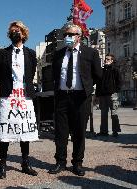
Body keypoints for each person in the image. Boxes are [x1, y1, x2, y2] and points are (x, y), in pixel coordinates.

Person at [49, 24, 102, 176]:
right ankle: (60, 161)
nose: (68, 37)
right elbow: (54, 74)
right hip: (62, 97)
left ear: (79, 36)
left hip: (81, 98)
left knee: (79, 132)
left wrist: (89, 88)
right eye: (66, 34)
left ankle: (77, 163)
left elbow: (98, 74)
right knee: (61, 132)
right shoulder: (58, 54)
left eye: (71, 34)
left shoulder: (90, 53)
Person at [0, 21, 38, 179]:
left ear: (23, 33)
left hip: (25, 94)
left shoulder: (31, 53)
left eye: (17, 30)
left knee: (24, 129)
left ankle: (25, 163)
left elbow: (31, 72)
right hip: (8, 94)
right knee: (6, 128)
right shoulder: (2, 53)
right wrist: (7, 86)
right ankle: (3, 163)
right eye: (12, 31)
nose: (14, 33)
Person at [96, 54, 121, 137]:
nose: (106, 60)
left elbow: (119, 81)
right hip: (102, 95)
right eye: (105, 59)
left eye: (108, 59)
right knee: (103, 114)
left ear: (112, 60)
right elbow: (98, 83)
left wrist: (115, 90)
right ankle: (104, 131)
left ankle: (115, 131)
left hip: (112, 94)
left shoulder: (115, 70)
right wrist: (97, 94)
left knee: (114, 113)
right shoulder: (102, 70)